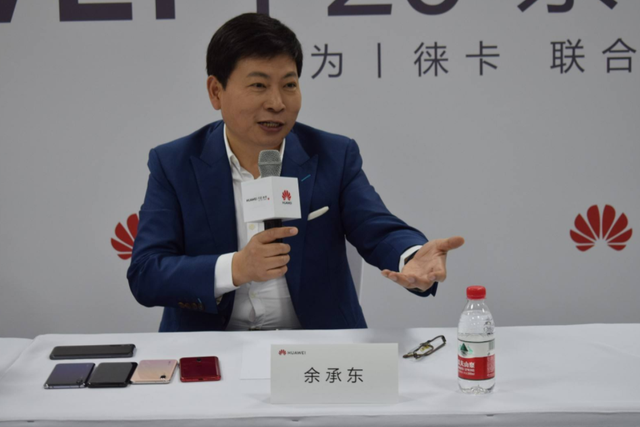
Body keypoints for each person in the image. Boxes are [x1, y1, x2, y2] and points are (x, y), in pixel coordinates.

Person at [127, 13, 464, 332]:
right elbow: (146, 273)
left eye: (289, 85)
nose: (277, 103)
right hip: (212, 349)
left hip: (315, 348)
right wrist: (236, 267)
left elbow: (377, 228)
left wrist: (411, 255)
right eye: (259, 85)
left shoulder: (333, 155)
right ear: (216, 91)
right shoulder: (174, 164)